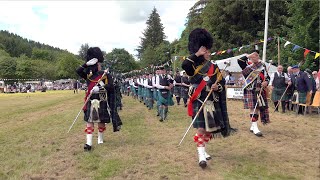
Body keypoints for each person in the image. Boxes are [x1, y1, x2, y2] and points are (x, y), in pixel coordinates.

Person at [181, 28, 235, 168]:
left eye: (208, 51)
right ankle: (201, 156)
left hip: (211, 100)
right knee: (200, 128)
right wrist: (197, 53)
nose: (208, 53)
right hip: (199, 100)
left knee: (209, 130)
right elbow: (185, 65)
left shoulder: (215, 67)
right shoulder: (192, 66)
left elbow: (221, 84)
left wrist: (218, 88)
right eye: (205, 51)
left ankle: (202, 148)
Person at [76, 47, 122, 151]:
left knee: (101, 120)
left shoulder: (105, 75)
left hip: (101, 99)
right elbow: (78, 71)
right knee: (89, 120)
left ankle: (100, 138)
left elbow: (111, 86)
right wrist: (86, 64)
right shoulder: (88, 76)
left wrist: (100, 87)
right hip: (90, 99)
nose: (98, 65)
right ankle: (88, 143)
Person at [238, 50, 270, 137]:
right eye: (253, 56)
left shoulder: (262, 66)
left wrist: (266, 82)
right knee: (253, 108)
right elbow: (239, 60)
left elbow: (268, 77)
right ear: (251, 57)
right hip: (250, 89)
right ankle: (255, 127)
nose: (255, 57)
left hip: (260, 89)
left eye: (256, 56)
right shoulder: (247, 66)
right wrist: (248, 55)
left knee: (258, 108)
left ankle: (253, 125)